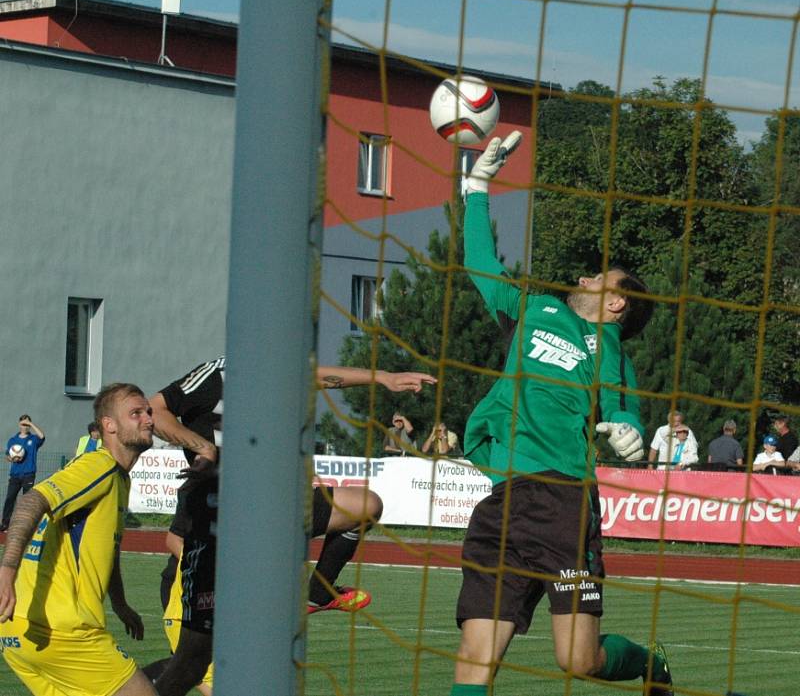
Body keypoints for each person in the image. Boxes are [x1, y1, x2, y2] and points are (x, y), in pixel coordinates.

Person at [448, 133, 672, 696]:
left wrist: (629, 433)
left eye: (600, 280)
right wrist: (478, 187)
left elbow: (626, 413)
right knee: (476, 656)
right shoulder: (535, 309)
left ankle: (651, 668)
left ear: (617, 304)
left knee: (578, 662)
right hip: (503, 501)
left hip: (566, 503)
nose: (583, 279)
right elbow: (479, 260)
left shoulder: (613, 353)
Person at [147, 359, 435, 696]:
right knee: (190, 671)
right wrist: (202, 447)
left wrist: (384, 377)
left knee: (366, 505)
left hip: (268, 520)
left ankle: (319, 592)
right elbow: (174, 539)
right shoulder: (214, 470)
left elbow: (317, 375)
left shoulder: (277, 391)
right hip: (199, 588)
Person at [0, 383, 157, 696]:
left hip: (17, 632)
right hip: (63, 631)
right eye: (136, 413)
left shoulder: (115, 479)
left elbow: (105, 551)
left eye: (149, 412)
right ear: (108, 425)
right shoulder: (100, 465)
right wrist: (6, 572)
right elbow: (31, 501)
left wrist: (120, 603)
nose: (149, 419)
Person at [1, 414, 45, 532]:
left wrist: (31, 424)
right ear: (19, 425)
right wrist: (12, 459)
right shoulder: (13, 440)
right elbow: (8, 456)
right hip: (15, 474)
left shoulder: (33, 439)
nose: (24, 427)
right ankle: (5, 523)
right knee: (10, 498)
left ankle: (26, 525)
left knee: (26, 501)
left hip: (28, 475)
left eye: (27, 425)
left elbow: (42, 436)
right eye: (23, 424)